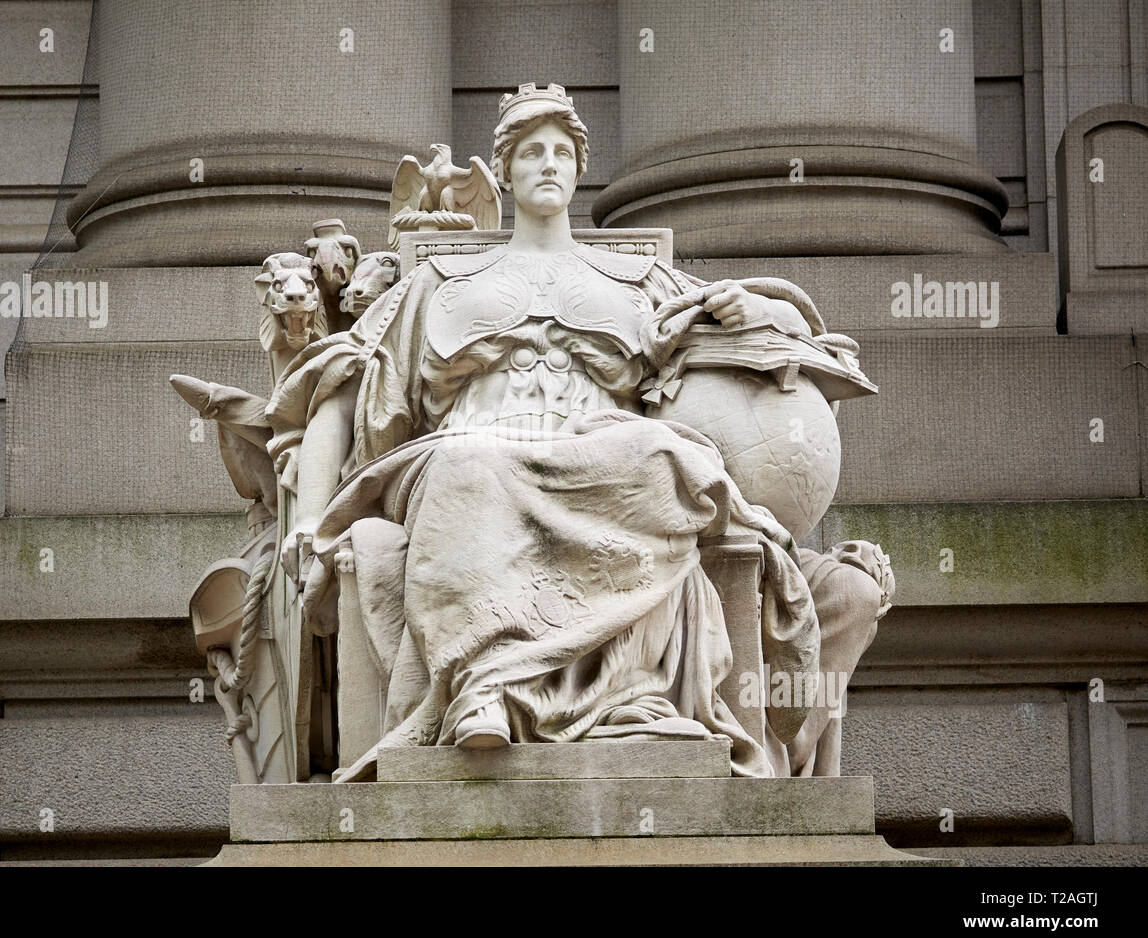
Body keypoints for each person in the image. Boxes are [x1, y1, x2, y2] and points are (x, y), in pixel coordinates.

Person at [266, 84, 866, 781]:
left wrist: (755, 311)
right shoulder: (439, 281)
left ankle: (627, 697)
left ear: (579, 170)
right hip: (472, 446)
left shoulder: (640, 280)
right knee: (473, 465)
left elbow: (812, 352)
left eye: (560, 152)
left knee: (665, 455)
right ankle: (480, 692)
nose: (547, 164)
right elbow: (338, 386)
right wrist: (309, 520)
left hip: (600, 454)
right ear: (506, 172)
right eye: (530, 153)